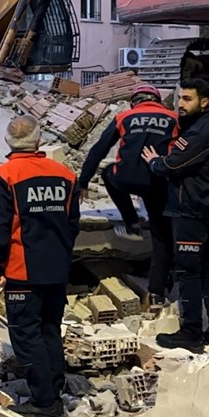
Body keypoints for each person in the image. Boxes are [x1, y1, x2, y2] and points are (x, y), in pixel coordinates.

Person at [0, 114, 80, 417]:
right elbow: (73, 223)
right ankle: (55, 389)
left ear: (7, 142)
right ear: (39, 140)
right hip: (56, 269)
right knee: (49, 329)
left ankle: (45, 402)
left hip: (22, 270)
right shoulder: (65, 174)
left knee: (26, 336)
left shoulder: (6, 175)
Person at [142, 78, 209, 353]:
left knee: (189, 272)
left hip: (191, 212)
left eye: (187, 99)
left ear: (204, 102)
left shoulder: (201, 133)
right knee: (205, 270)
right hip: (204, 209)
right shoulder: (205, 127)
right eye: (179, 98)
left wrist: (154, 162)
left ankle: (191, 333)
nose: (180, 104)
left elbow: (172, 164)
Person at [78, 84, 178, 308]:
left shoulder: (124, 117)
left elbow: (99, 150)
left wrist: (83, 182)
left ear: (135, 101)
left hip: (125, 178)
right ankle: (156, 294)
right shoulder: (174, 118)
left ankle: (131, 223)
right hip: (158, 182)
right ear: (158, 100)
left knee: (107, 173)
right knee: (161, 238)